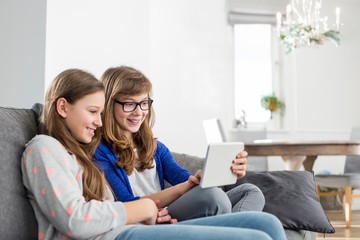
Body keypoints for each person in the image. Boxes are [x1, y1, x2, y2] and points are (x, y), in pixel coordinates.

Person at [20, 68, 286, 240]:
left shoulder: (77, 154)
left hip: (130, 224)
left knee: (269, 225)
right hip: (119, 232)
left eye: (99, 113)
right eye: (93, 112)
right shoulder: (44, 147)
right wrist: (145, 207)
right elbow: (76, 219)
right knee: (256, 236)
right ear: (63, 107)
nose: (99, 122)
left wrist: (221, 170)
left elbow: (189, 183)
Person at [94, 65, 265, 223]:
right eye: (129, 104)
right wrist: (184, 188)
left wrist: (224, 170)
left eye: (144, 103)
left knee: (250, 191)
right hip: (147, 219)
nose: (139, 112)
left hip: (168, 212)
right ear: (109, 105)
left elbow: (185, 180)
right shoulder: (100, 151)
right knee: (214, 198)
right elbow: (126, 204)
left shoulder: (155, 148)